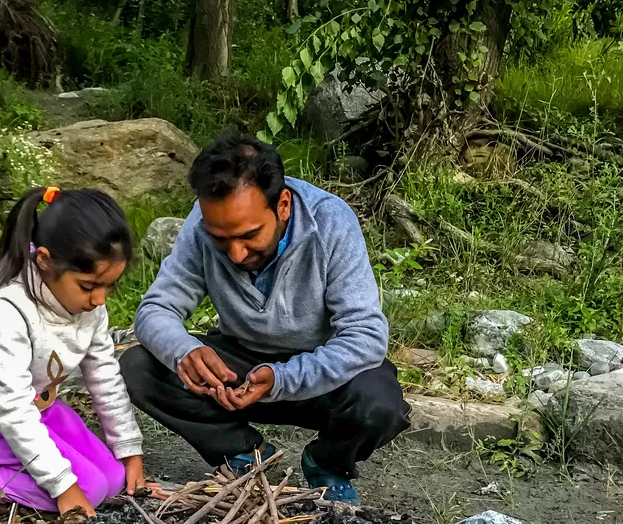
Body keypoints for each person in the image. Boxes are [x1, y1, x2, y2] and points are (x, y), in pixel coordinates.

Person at [120, 132, 410, 504]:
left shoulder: (331, 221)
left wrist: (281, 378)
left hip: (321, 370)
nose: (236, 254)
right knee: (138, 366)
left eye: (249, 235)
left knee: (380, 405)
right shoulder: (203, 221)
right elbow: (155, 309)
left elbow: (365, 336)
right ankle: (245, 454)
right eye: (220, 239)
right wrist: (184, 351)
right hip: (238, 367)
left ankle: (327, 463)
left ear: (283, 205)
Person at [0, 186, 145, 517]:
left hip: (37, 407)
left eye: (110, 286)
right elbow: (11, 407)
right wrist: (61, 484)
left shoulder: (88, 306)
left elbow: (104, 376)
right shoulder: (4, 307)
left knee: (114, 479)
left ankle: (31, 470)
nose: (100, 300)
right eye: (89, 286)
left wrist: (129, 449)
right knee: (88, 490)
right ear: (44, 261)